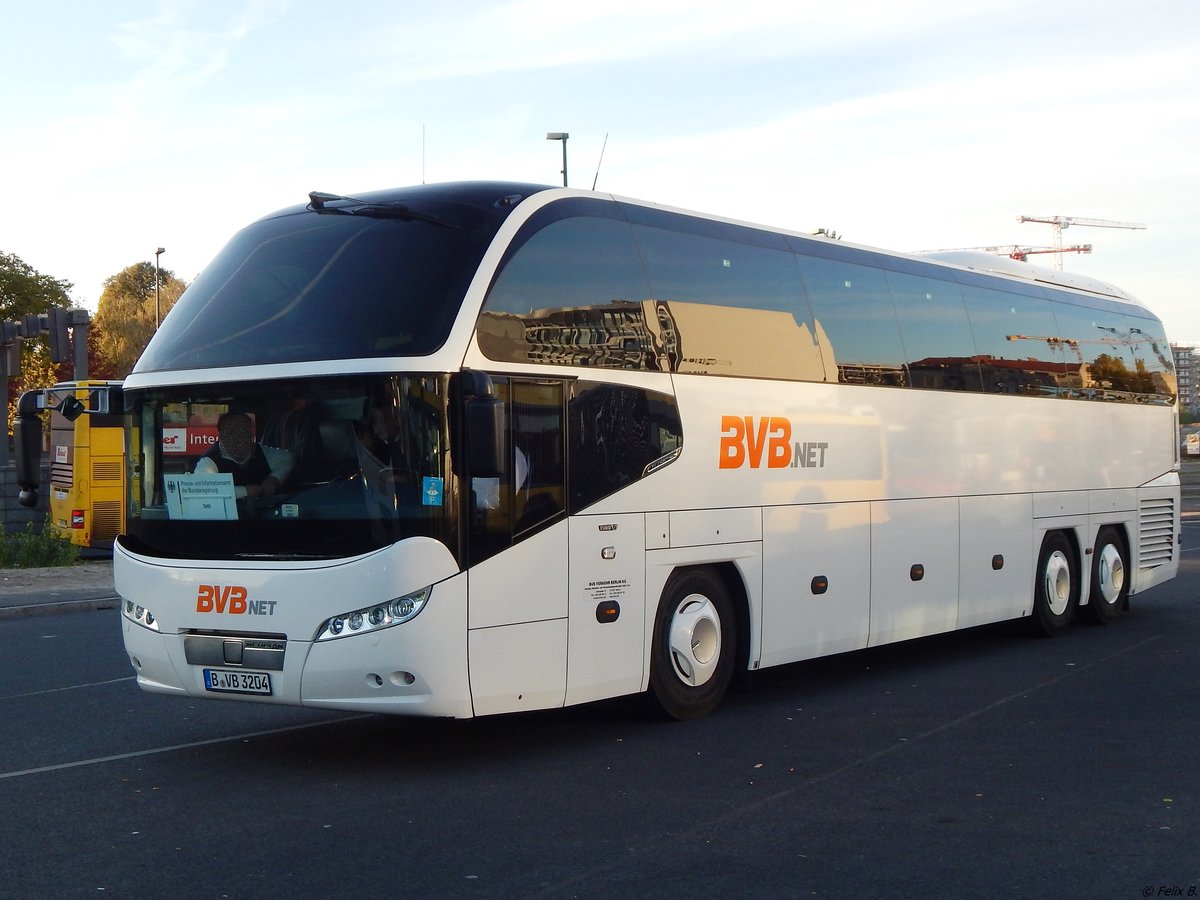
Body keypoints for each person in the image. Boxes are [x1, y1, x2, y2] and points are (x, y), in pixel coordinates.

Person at [194, 412, 294, 500]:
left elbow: (288, 458)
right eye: (232, 431)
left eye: (244, 431)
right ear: (221, 435)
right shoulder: (209, 461)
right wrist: (244, 491)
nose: (238, 436)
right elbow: (203, 490)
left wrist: (274, 479)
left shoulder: (259, 450)